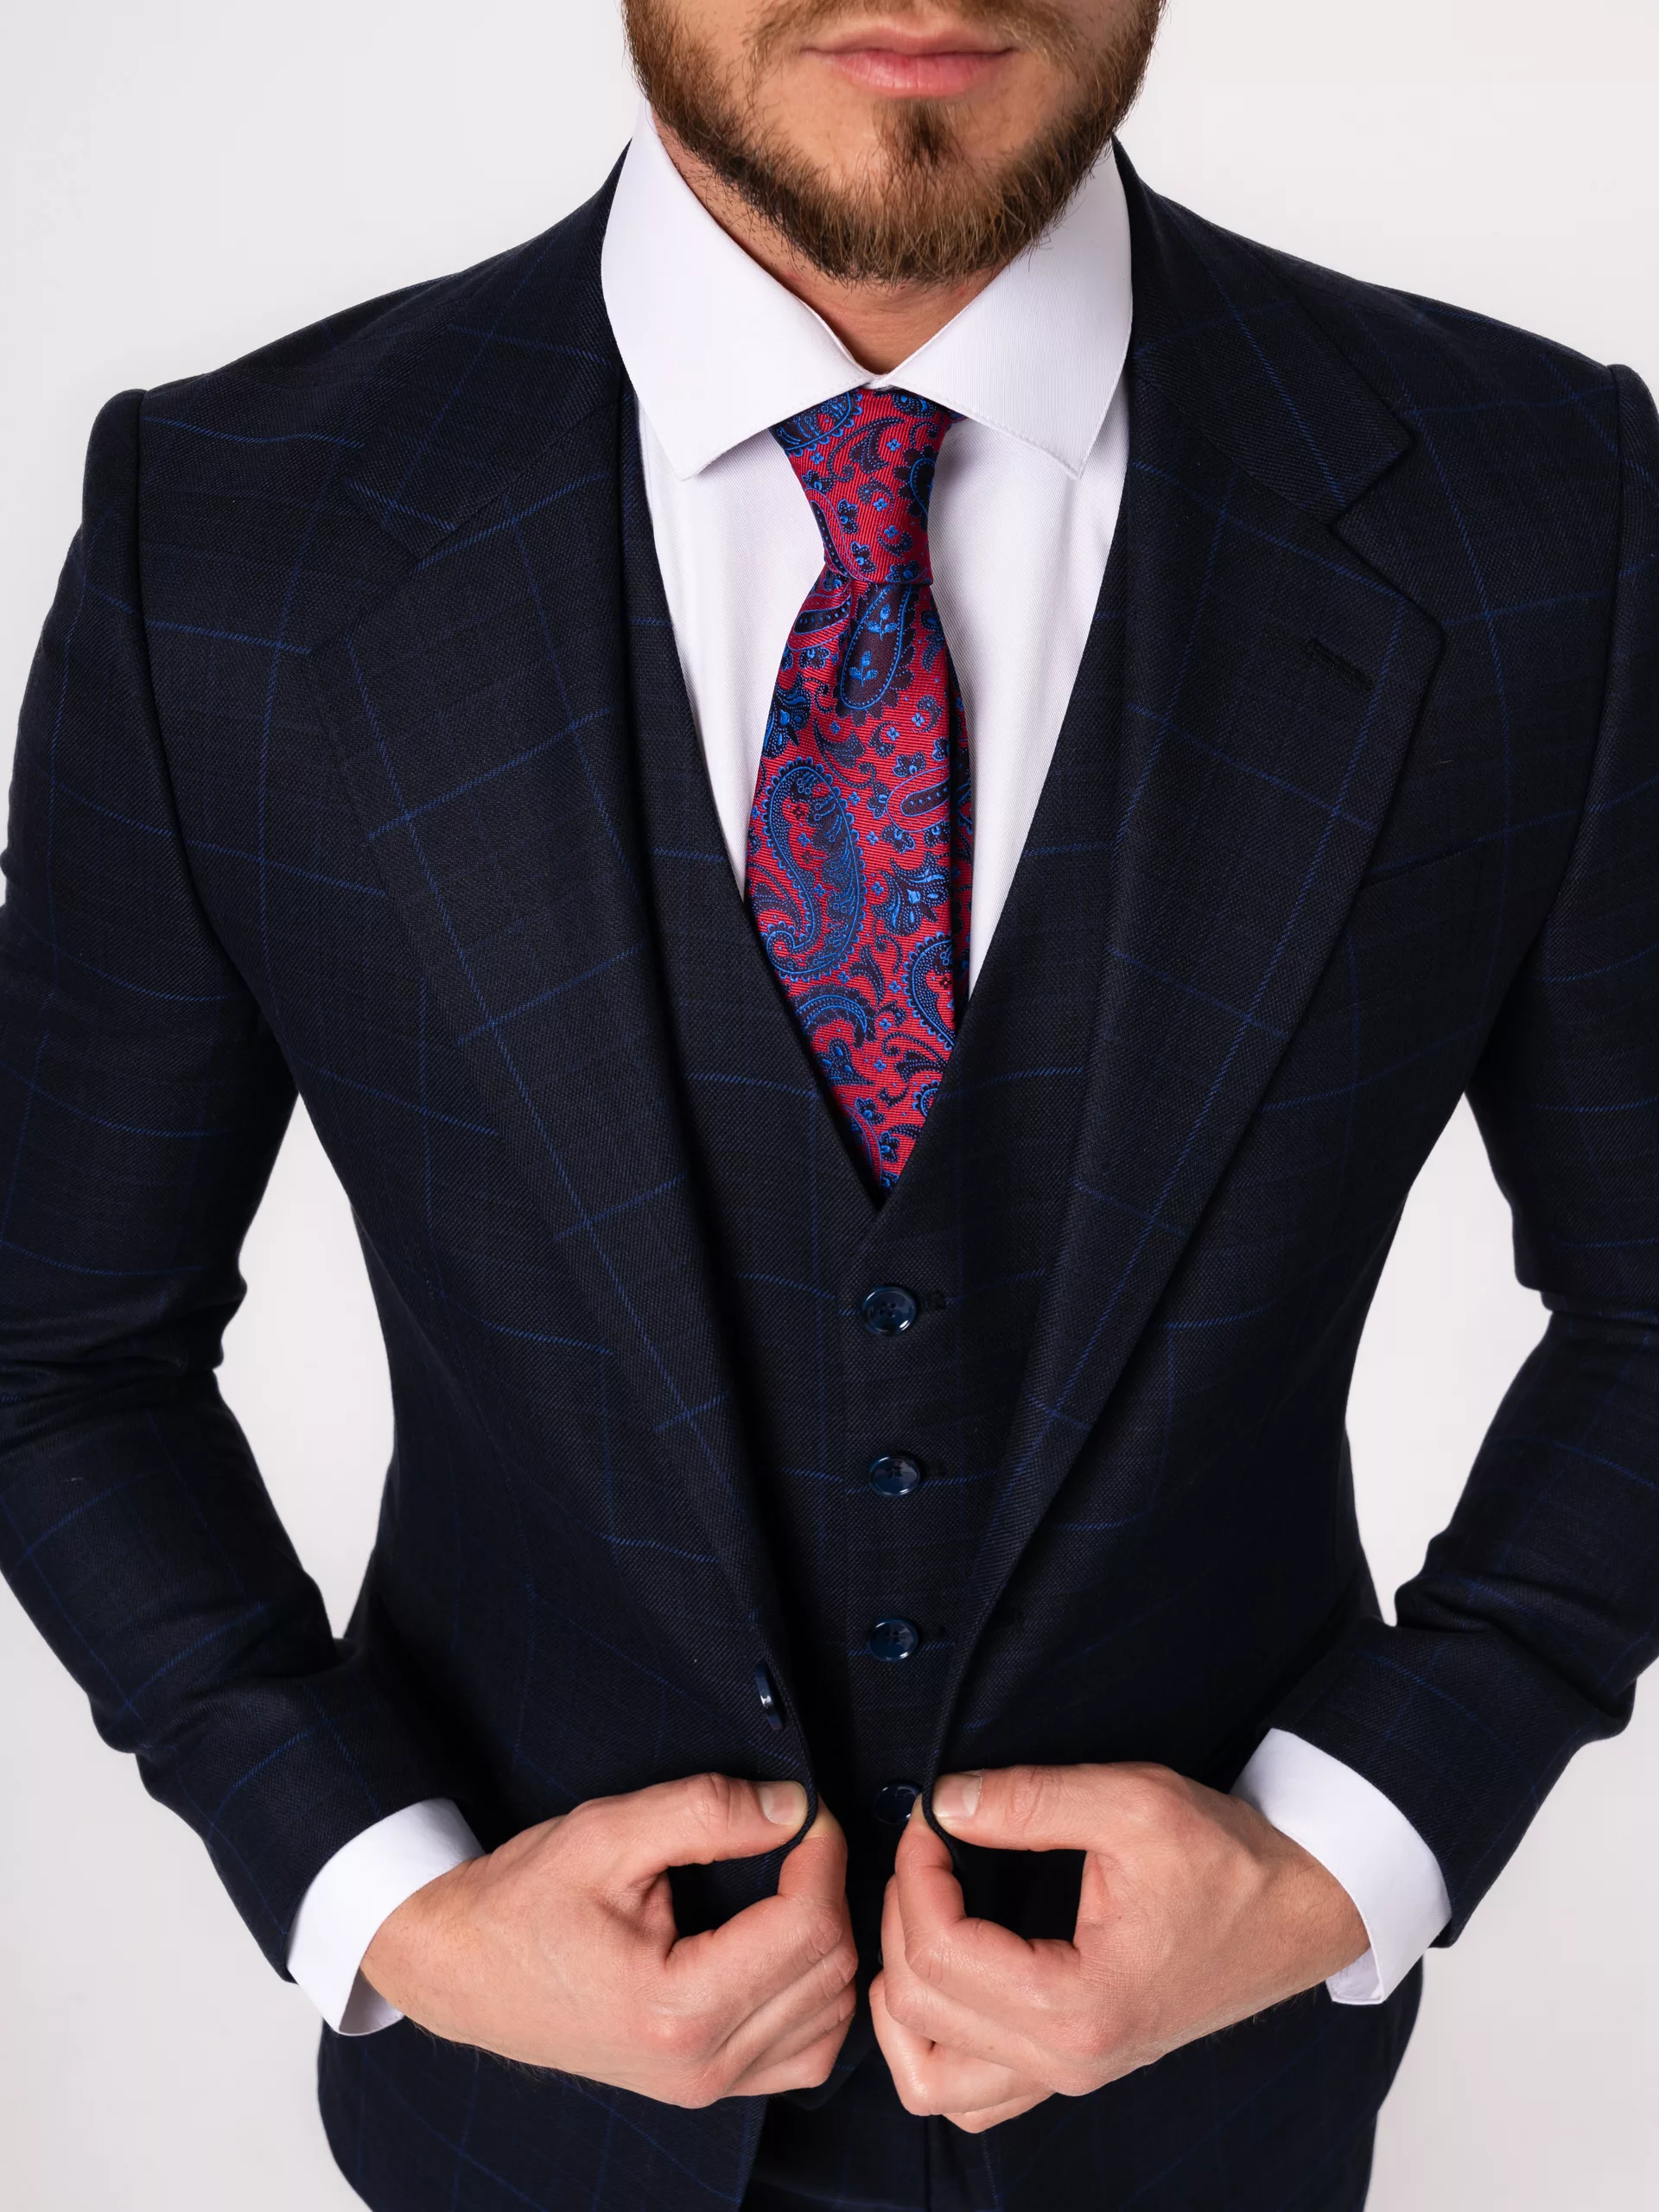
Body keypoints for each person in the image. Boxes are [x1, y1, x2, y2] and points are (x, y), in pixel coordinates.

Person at [2, 0, 1655, 2204]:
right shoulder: (228, 534)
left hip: (1210, 2119)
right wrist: (387, 1898)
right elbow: (54, 1343)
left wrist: (1344, 1854)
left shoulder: (1537, 509)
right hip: (516, 2132)